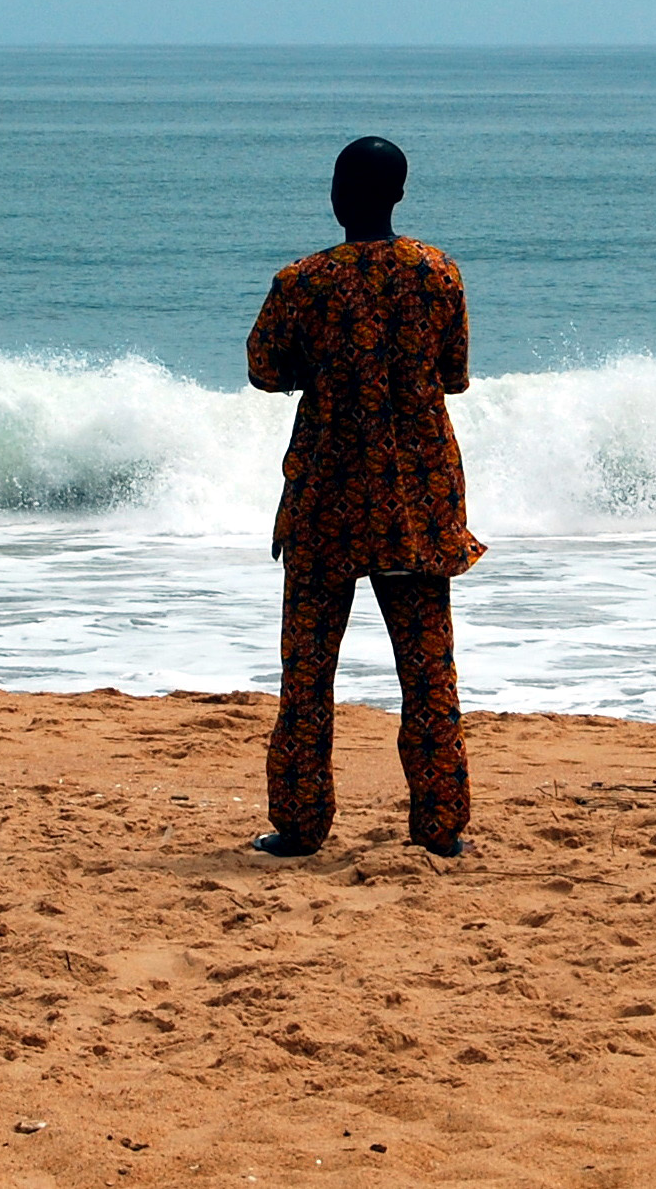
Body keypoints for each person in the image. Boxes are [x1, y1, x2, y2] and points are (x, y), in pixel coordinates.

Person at [244, 136, 484, 859]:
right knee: (428, 671)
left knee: (309, 671)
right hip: (417, 498)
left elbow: (263, 368)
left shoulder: (304, 282)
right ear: (400, 195)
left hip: (326, 497)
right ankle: (440, 827)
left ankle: (300, 824)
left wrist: (319, 371)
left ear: (337, 195)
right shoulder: (438, 272)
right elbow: (455, 374)